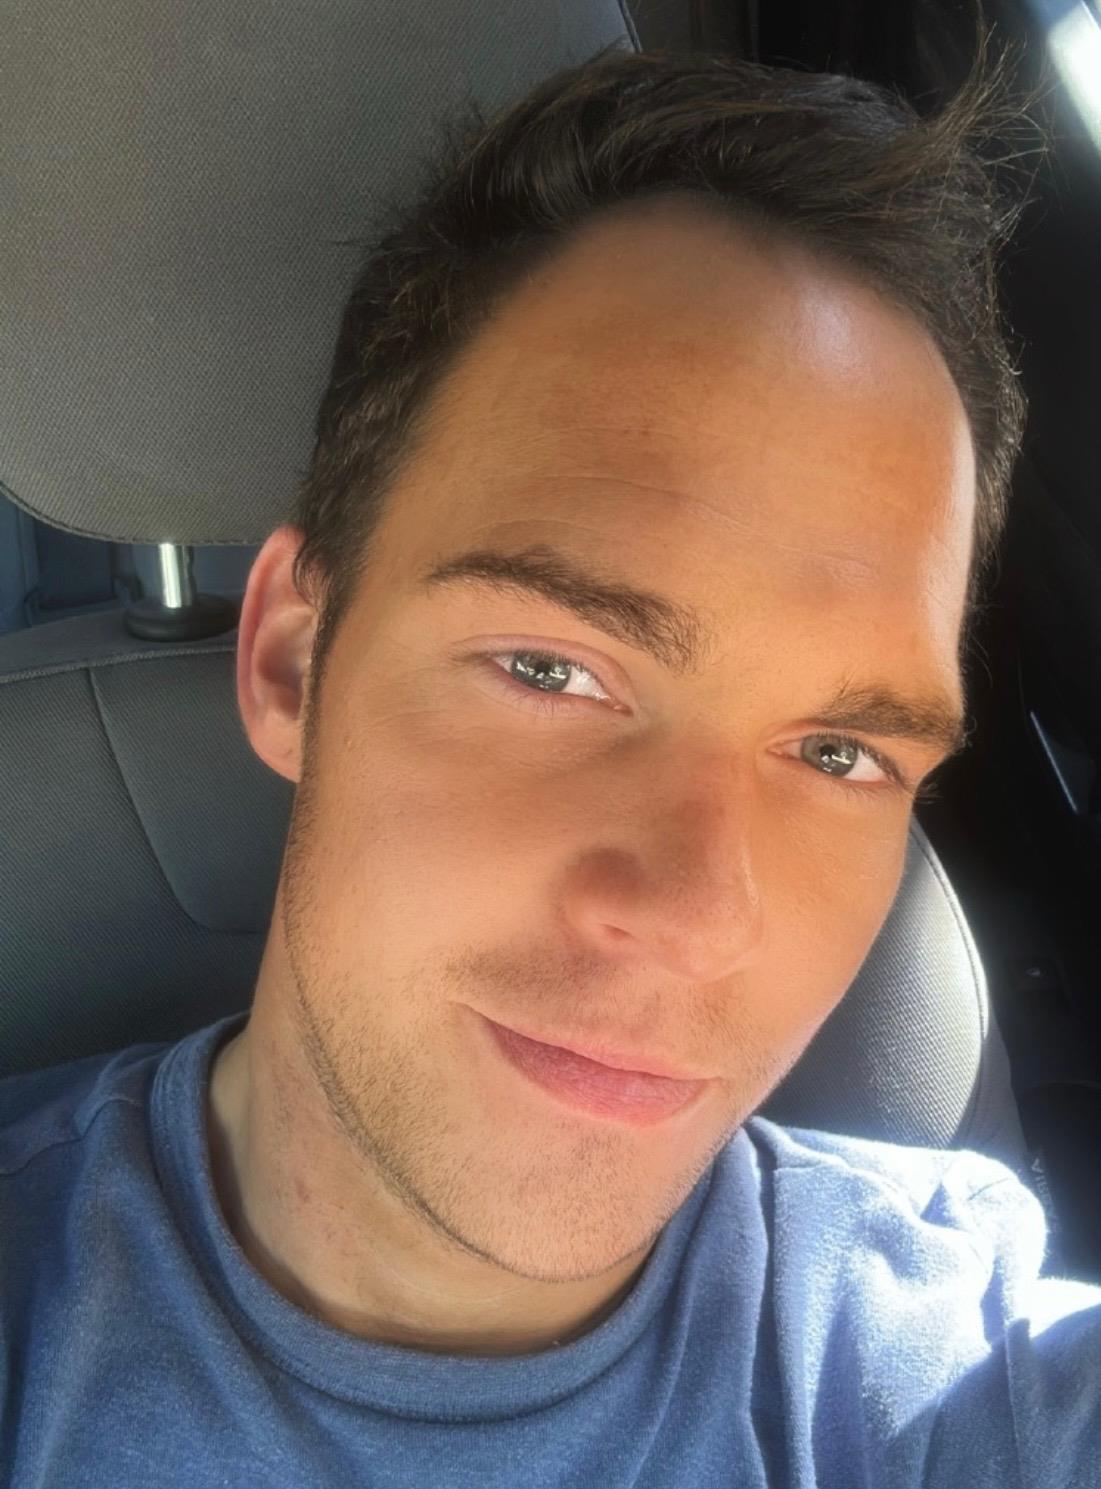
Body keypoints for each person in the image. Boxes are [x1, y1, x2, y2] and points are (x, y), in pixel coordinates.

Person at [2, 45, 1097, 1489]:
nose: (698, 912)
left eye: (837, 750)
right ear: (289, 658)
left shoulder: (953, 1365)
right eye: (552, 668)